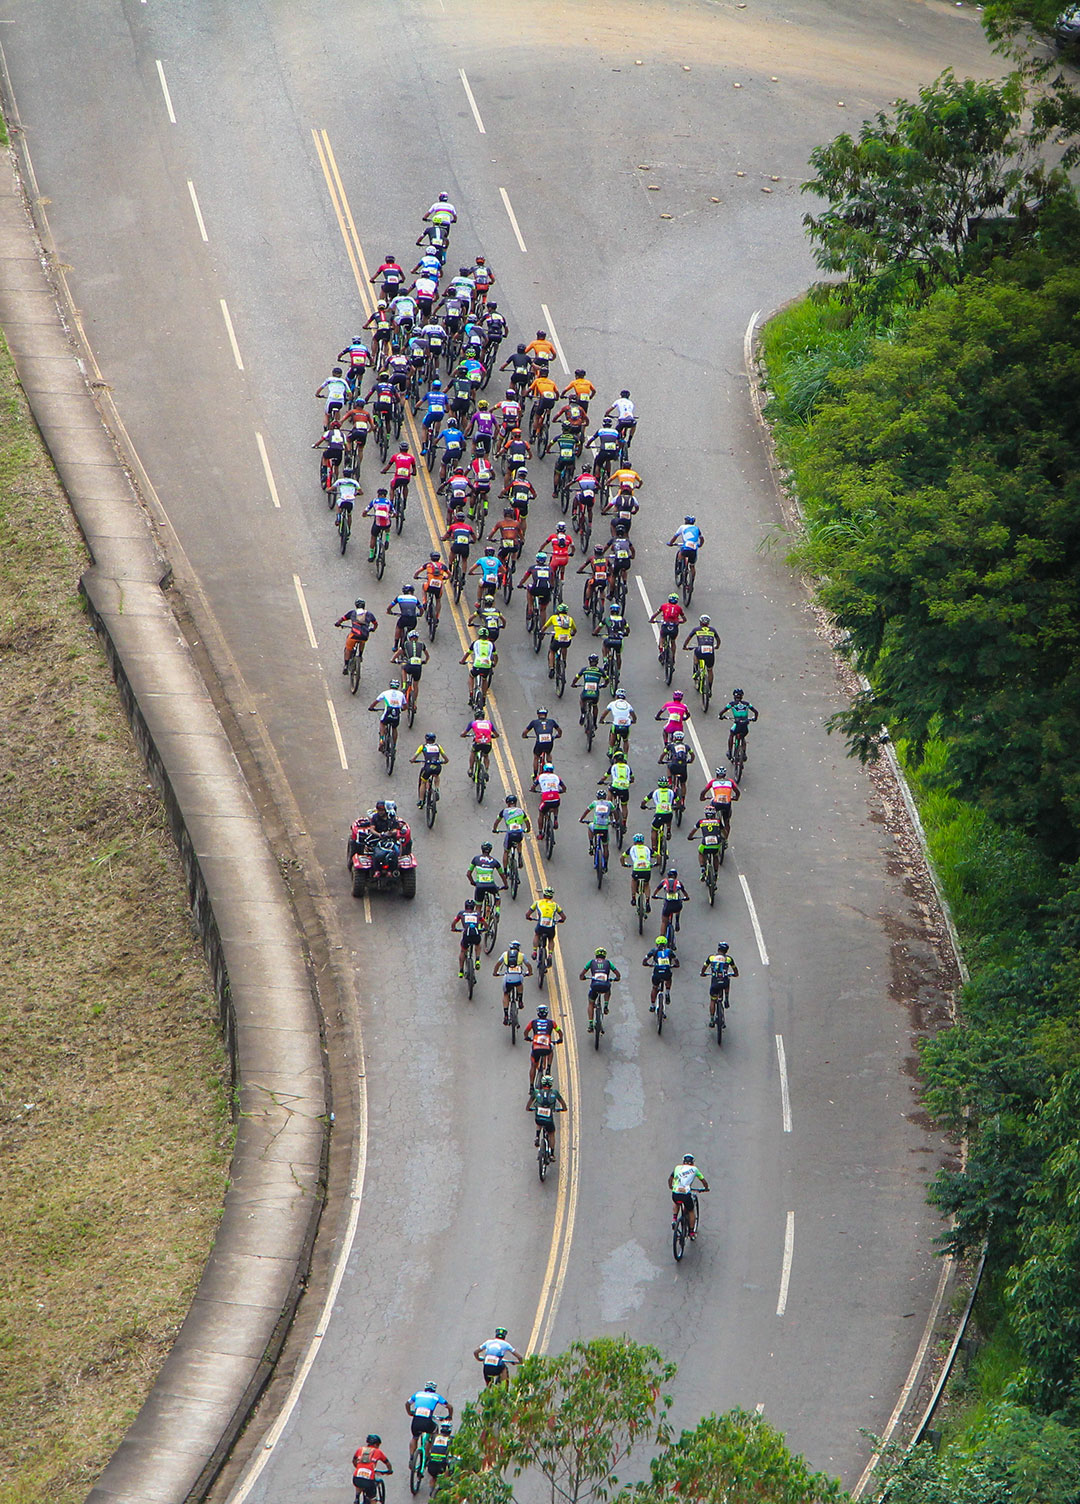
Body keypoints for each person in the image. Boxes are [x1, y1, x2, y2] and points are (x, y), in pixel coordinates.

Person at [524, 1001, 563, 1097]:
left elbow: (526, 1031)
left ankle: (531, 1086)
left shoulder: (533, 1022)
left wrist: (527, 1038)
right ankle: (549, 1067)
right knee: (551, 1047)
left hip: (536, 1048)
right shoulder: (552, 1023)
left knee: (533, 1065)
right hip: (546, 1048)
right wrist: (560, 1039)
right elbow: (559, 1031)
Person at [405, 1383, 453, 1461]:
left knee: (414, 1438)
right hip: (427, 1421)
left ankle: (412, 1456)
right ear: (434, 1390)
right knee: (435, 1429)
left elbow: (407, 1404)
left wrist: (410, 1412)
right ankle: (428, 1454)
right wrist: (449, 1416)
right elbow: (449, 1407)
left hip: (416, 1420)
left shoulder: (418, 1394)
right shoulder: (436, 1396)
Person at [580, 947, 620, 1033]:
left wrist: (583, 977)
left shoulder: (591, 962)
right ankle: (606, 1005)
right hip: (605, 985)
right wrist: (617, 978)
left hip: (595, 986)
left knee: (591, 1003)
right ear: (605, 956)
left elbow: (582, 974)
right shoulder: (608, 963)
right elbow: (617, 974)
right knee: (608, 989)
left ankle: (590, 1024)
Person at [669, 1154, 709, 1239]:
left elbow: (670, 1178)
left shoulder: (677, 1168)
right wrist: (706, 1188)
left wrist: (671, 1187)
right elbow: (703, 1180)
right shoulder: (695, 1169)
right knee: (691, 1211)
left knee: (676, 1202)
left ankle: (674, 1219)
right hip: (686, 1195)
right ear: (692, 1163)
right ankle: (691, 1232)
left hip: (675, 1193)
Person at [493, 942, 532, 1025]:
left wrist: (495, 973)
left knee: (506, 993)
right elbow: (528, 965)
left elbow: (498, 964)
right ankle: (520, 1000)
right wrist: (530, 972)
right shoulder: (521, 955)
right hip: (518, 978)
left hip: (508, 979)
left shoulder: (505, 954)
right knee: (520, 984)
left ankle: (506, 1015)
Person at [336, 598, 379, 673]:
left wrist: (338, 623)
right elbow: (375, 623)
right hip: (364, 635)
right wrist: (373, 629)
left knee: (348, 649)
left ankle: (346, 666)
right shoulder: (369, 614)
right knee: (363, 641)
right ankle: (360, 655)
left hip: (354, 635)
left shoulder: (352, 612)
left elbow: (342, 619)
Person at [701, 943, 739, 1027]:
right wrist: (735, 974)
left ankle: (711, 1019)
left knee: (713, 1000)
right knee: (727, 980)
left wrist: (702, 973)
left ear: (718, 949)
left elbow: (704, 967)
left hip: (715, 983)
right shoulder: (729, 959)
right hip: (724, 982)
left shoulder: (711, 958)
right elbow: (735, 969)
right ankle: (726, 998)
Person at [683, 615, 721, 696]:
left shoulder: (696, 629)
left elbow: (688, 638)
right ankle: (710, 689)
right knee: (710, 670)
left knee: (696, 655)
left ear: (700, 622)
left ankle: (697, 670)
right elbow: (718, 640)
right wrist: (717, 646)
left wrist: (685, 646)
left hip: (701, 649)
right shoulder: (713, 630)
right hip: (710, 651)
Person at [521, 707, 562, 779]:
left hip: (540, 742)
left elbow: (525, 732)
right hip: (549, 741)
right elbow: (559, 730)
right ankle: (550, 769)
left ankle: (535, 774)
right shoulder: (552, 721)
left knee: (536, 756)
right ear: (546, 715)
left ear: (538, 715)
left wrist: (524, 736)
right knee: (548, 753)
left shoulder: (534, 722)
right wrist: (558, 735)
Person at [526, 886, 565, 960]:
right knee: (551, 939)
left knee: (537, 935)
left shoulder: (537, 903)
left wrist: (529, 917)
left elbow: (527, 914)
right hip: (550, 927)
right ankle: (550, 954)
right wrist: (561, 920)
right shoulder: (555, 905)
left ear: (543, 894)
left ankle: (534, 951)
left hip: (541, 925)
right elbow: (563, 917)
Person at [699, 765, 741, 835]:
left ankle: (711, 819)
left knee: (712, 803)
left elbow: (703, 792)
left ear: (717, 775)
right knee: (727, 821)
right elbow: (737, 792)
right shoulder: (730, 781)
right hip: (727, 804)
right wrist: (736, 798)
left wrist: (702, 798)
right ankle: (726, 839)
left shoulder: (713, 781)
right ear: (725, 775)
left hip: (716, 803)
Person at [719, 688, 760, 759]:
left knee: (732, 734)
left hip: (737, 725)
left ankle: (730, 752)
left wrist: (721, 716)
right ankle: (743, 754)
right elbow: (756, 712)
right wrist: (754, 719)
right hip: (745, 725)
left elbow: (722, 712)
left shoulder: (731, 704)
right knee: (743, 737)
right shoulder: (747, 704)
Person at [532, 1072, 567, 1154]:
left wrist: (531, 1109)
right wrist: (561, 1109)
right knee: (551, 1134)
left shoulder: (536, 1092)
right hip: (549, 1121)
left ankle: (537, 1136)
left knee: (539, 1121)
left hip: (539, 1119)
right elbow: (564, 1105)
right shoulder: (555, 1093)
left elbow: (528, 1106)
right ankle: (552, 1154)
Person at [686, 803, 726, 876]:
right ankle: (716, 872)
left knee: (700, 852)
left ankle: (702, 869)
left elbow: (693, 831)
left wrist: (690, 837)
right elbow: (724, 832)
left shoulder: (701, 821)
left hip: (705, 844)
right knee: (715, 855)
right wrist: (725, 838)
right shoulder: (718, 821)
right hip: (716, 845)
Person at [460, 627, 498, 702]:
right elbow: (496, 656)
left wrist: (462, 661)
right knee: (484, 679)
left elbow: (468, 653)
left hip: (477, 665)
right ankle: (483, 697)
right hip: (487, 665)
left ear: (479, 635)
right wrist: (494, 664)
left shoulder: (475, 643)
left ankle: (471, 694)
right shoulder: (491, 644)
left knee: (471, 676)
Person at [643, 935, 679, 1012]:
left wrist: (647, 964)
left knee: (654, 987)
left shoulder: (653, 951)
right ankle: (667, 993)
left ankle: (652, 1006)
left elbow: (644, 960)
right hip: (666, 971)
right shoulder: (669, 951)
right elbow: (676, 961)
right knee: (669, 978)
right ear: (666, 944)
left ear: (656, 944)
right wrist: (675, 965)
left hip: (657, 972)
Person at [352, 1434, 392, 1503]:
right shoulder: (378, 1452)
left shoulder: (360, 1449)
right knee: (372, 1498)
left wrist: (358, 1467)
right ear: (376, 1444)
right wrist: (389, 1470)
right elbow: (387, 1463)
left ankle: (357, 1497)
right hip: (369, 1480)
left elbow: (354, 1461)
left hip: (356, 1479)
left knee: (359, 1480)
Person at [411, 732, 448, 806]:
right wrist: (444, 762)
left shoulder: (423, 746)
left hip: (428, 767)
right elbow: (446, 758)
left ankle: (421, 801)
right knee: (436, 775)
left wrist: (412, 760)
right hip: (437, 766)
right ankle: (437, 789)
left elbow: (414, 757)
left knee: (423, 782)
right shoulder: (438, 746)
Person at [466, 841, 507, 908]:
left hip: (479, 886)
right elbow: (502, 875)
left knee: (478, 906)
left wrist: (473, 882)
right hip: (491, 885)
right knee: (497, 898)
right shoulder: (495, 861)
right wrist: (506, 885)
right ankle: (497, 911)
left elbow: (468, 874)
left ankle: (478, 916)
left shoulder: (476, 859)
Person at [641, 777, 676, 854]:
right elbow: (678, 801)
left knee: (654, 830)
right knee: (668, 818)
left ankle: (654, 849)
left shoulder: (655, 792)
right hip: (668, 813)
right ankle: (669, 830)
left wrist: (643, 805)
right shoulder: (671, 792)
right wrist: (678, 806)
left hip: (659, 814)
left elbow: (645, 800)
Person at [580, 787, 614, 866]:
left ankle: (591, 844)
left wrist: (581, 819)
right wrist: (615, 821)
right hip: (605, 828)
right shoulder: (609, 803)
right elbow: (615, 812)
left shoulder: (595, 803)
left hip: (596, 826)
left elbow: (587, 811)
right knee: (605, 846)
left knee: (590, 826)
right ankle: (605, 864)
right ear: (605, 797)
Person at [620, 832, 655, 909]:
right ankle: (648, 902)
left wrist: (624, 864)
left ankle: (633, 898)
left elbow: (622, 857)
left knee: (634, 880)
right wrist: (656, 864)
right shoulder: (647, 848)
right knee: (646, 884)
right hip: (647, 868)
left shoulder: (632, 848)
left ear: (634, 842)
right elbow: (658, 856)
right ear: (643, 842)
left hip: (637, 869)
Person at [650, 594, 687, 665]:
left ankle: (661, 650)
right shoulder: (679, 608)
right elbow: (684, 619)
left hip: (665, 626)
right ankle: (673, 657)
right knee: (673, 641)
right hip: (674, 628)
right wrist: (680, 621)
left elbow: (656, 614)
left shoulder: (664, 606)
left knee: (662, 637)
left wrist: (652, 619)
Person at [542, 605, 577, 680]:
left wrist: (541, 632)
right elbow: (575, 630)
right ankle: (564, 661)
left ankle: (551, 668)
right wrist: (572, 633)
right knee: (564, 646)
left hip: (557, 639)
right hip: (567, 640)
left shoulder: (553, 618)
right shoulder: (570, 619)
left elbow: (545, 627)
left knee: (552, 651)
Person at [461, 711, 499, 780]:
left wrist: (463, 735)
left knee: (473, 752)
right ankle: (486, 771)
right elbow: (497, 735)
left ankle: (471, 769)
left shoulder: (473, 723)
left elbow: (464, 733)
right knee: (486, 755)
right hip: (487, 743)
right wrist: (493, 736)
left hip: (478, 743)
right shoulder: (489, 723)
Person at [451, 900, 484, 979]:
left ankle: (461, 971)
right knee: (478, 944)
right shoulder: (477, 914)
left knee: (463, 951)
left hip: (467, 935)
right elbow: (485, 924)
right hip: (475, 934)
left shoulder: (461, 913)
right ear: (473, 907)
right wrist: (484, 929)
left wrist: (454, 929)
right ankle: (477, 960)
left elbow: (453, 923)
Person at [393, 628, 430, 698]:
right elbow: (427, 656)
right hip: (418, 666)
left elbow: (398, 652)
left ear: (409, 638)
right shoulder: (422, 644)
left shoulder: (406, 643)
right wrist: (425, 661)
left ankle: (404, 686)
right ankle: (414, 703)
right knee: (415, 685)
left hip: (410, 663)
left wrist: (392, 660)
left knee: (403, 669)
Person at [415, 553, 450, 625]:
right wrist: (446, 578)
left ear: (431, 558)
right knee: (438, 601)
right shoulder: (443, 566)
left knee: (424, 586)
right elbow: (450, 574)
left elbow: (418, 571)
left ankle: (424, 602)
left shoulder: (428, 565)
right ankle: (437, 617)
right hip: (438, 588)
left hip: (429, 586)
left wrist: (416, 576)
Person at [653, 867, 690, 937]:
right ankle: (677, 921)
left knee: (664, 921)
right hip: (677, 905)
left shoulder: (664, 881)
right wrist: (686, 897)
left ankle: (662, 938)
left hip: (668, 906)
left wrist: (654, 896)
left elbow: (657, 889)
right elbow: (684, 892)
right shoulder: (678, 882)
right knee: (679, 903)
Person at [520, 553, 555, 626]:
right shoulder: (550, 569)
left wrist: (520, 584)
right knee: (543, 610)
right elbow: (552, 581)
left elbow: (525, 577)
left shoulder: (532, 568)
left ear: (537, 560)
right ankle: (542, 629)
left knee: (528, 588)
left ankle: (530, 609)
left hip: (536, 589)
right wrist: (551, 588)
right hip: (546, 591)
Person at [532, 762, 566, 837]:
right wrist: (561, 791)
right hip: (555, 799)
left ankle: (540, 833)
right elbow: (564, 788)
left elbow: (533, 787)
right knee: (556, 804)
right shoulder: (556, 777)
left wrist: (533, 790)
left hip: (546, 800)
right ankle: (556, 819)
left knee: (541, 814)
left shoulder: (540, 776)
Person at [571, 653, 606, 726]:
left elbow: (576, 678)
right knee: (595, 705)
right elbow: (607, 679)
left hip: (585, 694)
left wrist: (573, 684)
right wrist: (604, 685)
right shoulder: (600, 670)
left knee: (582, 699)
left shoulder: (585, 669)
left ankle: (583, 713)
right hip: (595, 695)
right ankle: (594, 722)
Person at [662, 730, 696, 804]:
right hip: (683, 766)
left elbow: (664, 754)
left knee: (668, 765)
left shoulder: (671, 745)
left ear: (674, 738)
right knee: (683, 783)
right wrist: (691, 761)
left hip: (674, 765)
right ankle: (683, 800)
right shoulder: (686, 746)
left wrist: (660, 760)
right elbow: (693, 755)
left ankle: (670, 782)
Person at [362, 488, 395, 562]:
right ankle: (387, 539)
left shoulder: (374, 501)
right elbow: (394, 513)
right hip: (386, 524)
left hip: (377, 523)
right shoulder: (388, 502)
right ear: (385, 495)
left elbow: (365, 510)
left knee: (373, 537)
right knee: (388, 523)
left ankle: (371, 555)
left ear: (378, 495)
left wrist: (365, 514)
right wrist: (392, 515)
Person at [601, 688, 636, 754]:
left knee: (613, 734)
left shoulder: (612, 703)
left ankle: (610, 751)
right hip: (626, 725)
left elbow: (605, 713)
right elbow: (634, 716)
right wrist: (634, 721)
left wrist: (601, 720)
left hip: (617, 725)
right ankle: (625, 757)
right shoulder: (628, 705)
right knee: (625, 740)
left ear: (616, 696)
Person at [387, 583, 422, 649]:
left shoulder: (399, 597)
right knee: (410, 631)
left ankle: (395, 645)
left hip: (404, 618)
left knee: (398, 627)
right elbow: (421, 609)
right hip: (413, 619)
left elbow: (389, 607)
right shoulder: (415, 598)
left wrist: (389, 612)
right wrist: (420, 614)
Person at [427, 1422, 455, 1489]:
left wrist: (428, 1457)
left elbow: (427, 1448)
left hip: (431, 1464)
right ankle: (443, 1489)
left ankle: (432, 1491)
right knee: (447, 1473)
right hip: (442, 1464)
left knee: (433, 1477)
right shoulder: (451, 1439)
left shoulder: (434, 1436)